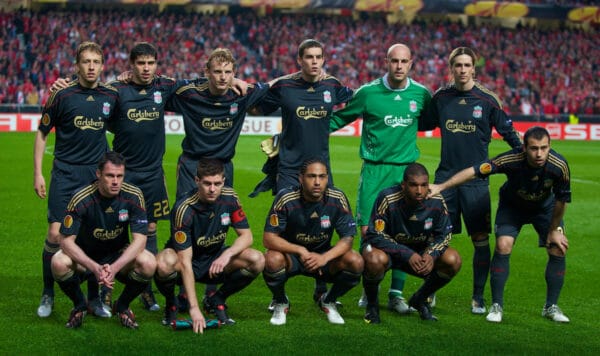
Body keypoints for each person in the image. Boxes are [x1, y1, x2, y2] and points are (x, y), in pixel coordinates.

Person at [428, 126, 571, 323]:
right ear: (524, 148)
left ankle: (551, 307)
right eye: (533, 148)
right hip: (513, 207)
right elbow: (474, 171)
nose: (539, 154)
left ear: (550, 146)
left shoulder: (560, 165)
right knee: (503, 244)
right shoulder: (510, 159)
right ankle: (497, 306)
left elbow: (561, 201)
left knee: (558, 248)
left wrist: (554, 230)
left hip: (544, 209)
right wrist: (441, 186)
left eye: (544, 148)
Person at [330, 43, 432, 313]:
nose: (399, 66)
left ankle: (396, 293)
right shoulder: (368, 93)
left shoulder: (421, 94)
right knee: (368, 231)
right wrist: (304, 131)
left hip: (406, 172)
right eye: (394, 61)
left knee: (407, 230)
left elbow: (431, 120)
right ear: (386, 62)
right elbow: (338, 119)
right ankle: (369, 286)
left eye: (404, 61)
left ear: (411, 63)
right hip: (374, 171)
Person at [420, 46, 522, 314]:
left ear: (473, 68)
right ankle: (429, 293)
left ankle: (478, 296)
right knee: (437, 238)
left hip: (477, 182)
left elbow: (509, 134)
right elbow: (422, 123)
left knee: (480, 239)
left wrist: (526, 157)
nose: (463, 70)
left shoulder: (488, 100)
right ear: (451, 68)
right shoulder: (441, 97)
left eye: (467, 65)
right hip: (445, 180)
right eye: (458, 65)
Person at [254, 38, 354, 303]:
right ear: (300, 60)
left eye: (318, 57)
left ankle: (321, 281)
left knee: (324, 224)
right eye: (308, 57)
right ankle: (280, 289)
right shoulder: (285, 86)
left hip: (322, 169)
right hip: (289, 169)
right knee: (289, 225)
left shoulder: (331, 85)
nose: (314, 62)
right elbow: (257, 101)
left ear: (323, 59)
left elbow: (357, 98)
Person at [33, 41, 118, 318]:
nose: (91, 66)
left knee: (91, 239)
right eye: (86, 61)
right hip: (65, 173)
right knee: (55, 234)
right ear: (77, 65)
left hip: (94, 177)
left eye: (96, 62)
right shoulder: (61, 95)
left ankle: (93, 299)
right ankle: (48, 293)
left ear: (102, 66)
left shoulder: (110, 95)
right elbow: (42, 133)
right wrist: (38, 173)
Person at [108, 42, 190, 312]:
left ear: (156, 64)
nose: (146, 68)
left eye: (150, 63)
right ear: (130, 64)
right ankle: (104, 287)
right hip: (124, 175)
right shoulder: (117, 90)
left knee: (151, 229)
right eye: (141, 63)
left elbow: (196, 83)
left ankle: (146, 289)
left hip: (153, 174)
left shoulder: (163, 87)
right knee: (116, 233)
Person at [154, 158, 264, 334]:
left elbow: (247, 236)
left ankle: (217, 298)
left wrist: (227, 255)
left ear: (223, 181)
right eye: (207, 183)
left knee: (256, 259)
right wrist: (194, 308)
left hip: (215, 259)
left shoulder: (230, 197)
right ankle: (171, 303)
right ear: (197, 181)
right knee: (163, 262)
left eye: (217, 183)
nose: (213, 189)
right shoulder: (184, 208)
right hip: (186, 261)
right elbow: (185, 261)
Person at [50, 152, 156, 329]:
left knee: (149, 262)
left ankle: (122, 306)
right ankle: (80, 305)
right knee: (58, 262)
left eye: (119, 176)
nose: (115, 181)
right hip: (86, 259)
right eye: (110, 175)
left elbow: (140, 241)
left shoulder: (133, 195)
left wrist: (114, 268)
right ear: (98, 174)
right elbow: (65, 241)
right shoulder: (81, 197)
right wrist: (95, 267)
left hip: (117, 258)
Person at [263, 158, 363, 325]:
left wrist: (324, 258)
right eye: (311, 176)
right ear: (301, 178)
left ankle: (328, 300)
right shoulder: (286, 198)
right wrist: (300, 251)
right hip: (292, 256)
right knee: (272, 259)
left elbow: (347, 239)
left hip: (323, 257)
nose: (317, 182)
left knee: (356, 261)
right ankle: (280, 301)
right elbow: (268, 238)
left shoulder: (337, 197)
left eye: (322, 176)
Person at [361, 163, 461, 323]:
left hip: (419, 254)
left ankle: (419, 299)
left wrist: (431, 254)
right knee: (374, 259)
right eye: (414, 185)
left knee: (453, 259)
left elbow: (445, 234)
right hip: (390, 253)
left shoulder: (436, 200)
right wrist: (407, 254)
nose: (419, 190)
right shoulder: (387, 197)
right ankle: (372, 306)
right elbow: (375, 234)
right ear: (403, 185)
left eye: (423, 185)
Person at [168, 48, 270, 199]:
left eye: (228, 72)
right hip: (192, 165)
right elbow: (157, 85)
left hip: (223, 166)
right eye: (217, 72)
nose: (223, 77)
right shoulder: (189, 93)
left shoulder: (241, 94)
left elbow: (275, 84)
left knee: (220, 219)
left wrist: (305, 75)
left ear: (234, 72)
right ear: (207, 72)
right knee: (185, 217)